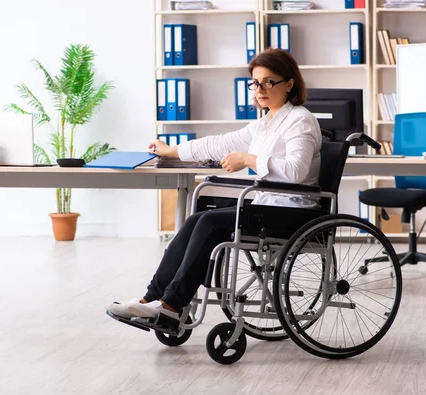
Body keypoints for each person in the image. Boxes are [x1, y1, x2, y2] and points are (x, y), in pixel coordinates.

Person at [107, 48, 322, 320]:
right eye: (255, 83)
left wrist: (249, 158)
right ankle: (152, 298)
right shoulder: (266, 123)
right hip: (270, 204)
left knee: (209, 222)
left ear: (289, 83)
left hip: (295, 211)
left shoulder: (299, 120)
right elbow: (218, 143)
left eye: (268, 82)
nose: (260, 90)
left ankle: (172, 305)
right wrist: (172, 150)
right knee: (197, 218)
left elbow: (296, 171)